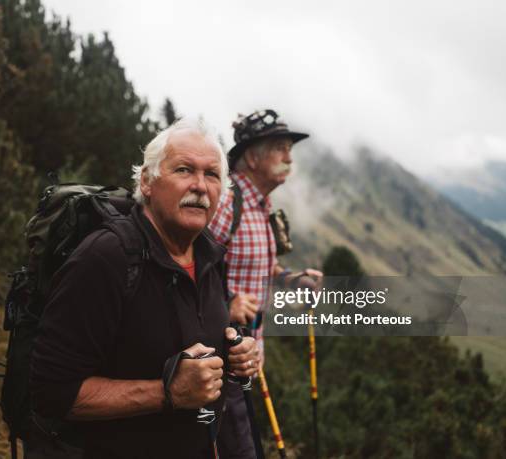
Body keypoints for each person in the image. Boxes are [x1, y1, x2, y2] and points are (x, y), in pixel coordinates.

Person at [30, 118, 259, 459]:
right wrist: (168, 393)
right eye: (184, 170)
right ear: (147, 181)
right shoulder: (106, 258)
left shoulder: (209, 253)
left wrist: (235, 353)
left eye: (212, 175)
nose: (200, 186)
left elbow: (186, 341)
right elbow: (50, 392)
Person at [209, 109, 323, 458]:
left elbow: (262, 265)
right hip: (218, 357)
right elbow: (193, 269)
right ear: (253, 157)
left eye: (289, 148)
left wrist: (293, 278)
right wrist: (226, 302)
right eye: (279, 147)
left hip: (248, 355)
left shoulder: (260, 206)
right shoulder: (227, 204)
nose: (289, 156)